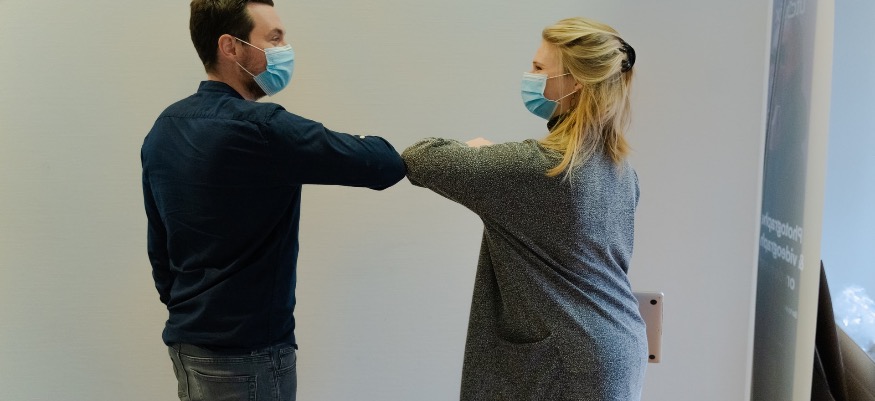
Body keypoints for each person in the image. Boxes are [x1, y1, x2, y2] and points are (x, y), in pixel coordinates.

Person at [140, 1, 405, 400]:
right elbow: (382, 163)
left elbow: (159, 251)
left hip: (189, 349)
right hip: (248, 360)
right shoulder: (262, 129)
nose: (285, 49)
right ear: (230, 47)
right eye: (274, 38)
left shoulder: (164, 128)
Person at [402, 17, 647, 400]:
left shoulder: (541, 169)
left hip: (567, 361)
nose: (529, 76)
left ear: (575, 82)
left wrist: (476, 153)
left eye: (538, 67)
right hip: (616, 347)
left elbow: (420, 158)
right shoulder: (620, 171)